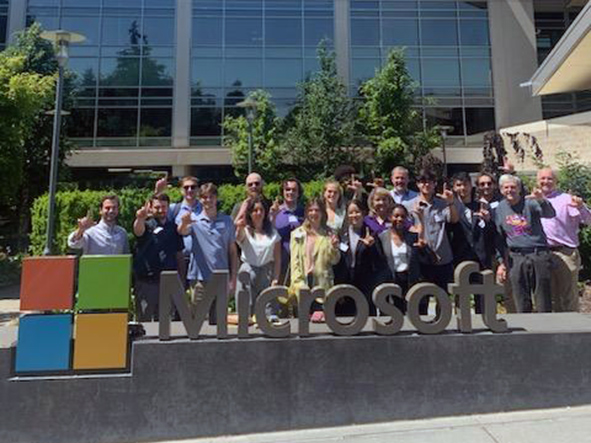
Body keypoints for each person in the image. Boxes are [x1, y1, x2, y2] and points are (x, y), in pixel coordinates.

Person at [495, 174, 556, 313]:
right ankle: (526, 330)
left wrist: (541, 200)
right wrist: (501, 262)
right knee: (520, 297)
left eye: (513, 187)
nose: (510, 190)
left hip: (537, 254)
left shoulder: (530, 203)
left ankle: (545, 330)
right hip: (516, 257)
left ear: (519, 189)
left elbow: (550, 213)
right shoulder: (500, 208)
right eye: (506, 187)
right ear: (501, 190)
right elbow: (499, 237)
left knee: (542, 299)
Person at [178, 183, 238, 321]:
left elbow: (233, 252)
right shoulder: (194, 220)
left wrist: (233, 279)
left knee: (219, 323)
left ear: (216, 198)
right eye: (204, 197)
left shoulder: (227, 221)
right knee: (195, 321)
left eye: (211, 197)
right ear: (200, 199)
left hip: (221, 279)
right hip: (200, 279)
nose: (208, 200)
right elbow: (182, 231)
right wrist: (184, 223)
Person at [537, 168, 591, 312]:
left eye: (549, 178)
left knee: (568, 296)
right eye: (542, 178)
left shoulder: (567, 199)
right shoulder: (532, 200)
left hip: (565, 253)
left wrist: (581, 207)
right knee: (546, 297)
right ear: (537, 181)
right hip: (541, 254)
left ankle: (572, 330)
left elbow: (588, 220)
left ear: (556, 181)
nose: (545, 182)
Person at [132, 194, 185, 321]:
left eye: (164, 207)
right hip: (147, 283)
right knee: (144, 320)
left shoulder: (173, 227)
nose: (161, 210)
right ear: (150, 208)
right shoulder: (146, 224)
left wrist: (182, 280)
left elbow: (179, 254)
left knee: (166, 322)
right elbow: (138, 231)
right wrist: (139, 218)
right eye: (157, 207)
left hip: (169, 282)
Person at [409, 170, 459, 305]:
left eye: (429, 182)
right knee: (421, 299)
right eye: (422, 182)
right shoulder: (410, 206)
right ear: (418, 184)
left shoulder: (442, 203)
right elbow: (408, 230)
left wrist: (450, 203)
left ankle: (442, 324)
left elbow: (454, 220)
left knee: (443, 298)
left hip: (443, 257)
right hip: (422, 259)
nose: (426, 185)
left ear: (434, 184)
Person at [448, 172, 495, 313]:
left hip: (481, 259)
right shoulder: (451, 207)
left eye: (465, 184)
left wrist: (488, 221)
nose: (463, 188)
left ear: (471, 185)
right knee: (461, 300)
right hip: (460, 258)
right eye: (459, 185)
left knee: (483, 299)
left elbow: (493, 233)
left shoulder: (482, 206)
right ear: (454, 188)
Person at [289, 197, 340, 323]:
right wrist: (297, 284)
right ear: (306, 213)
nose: (314, 213)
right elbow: (294, 261)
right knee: (302, 325)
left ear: (322, 213)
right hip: (302, 285)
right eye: (310, 210)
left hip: (322, 286)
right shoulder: (297, 233)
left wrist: (334, 247)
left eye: (317, 210)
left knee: (320, 326)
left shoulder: (329, 233)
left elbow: (334, 261)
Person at [235, 196, 281, 321]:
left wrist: (275, 279)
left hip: (267, 272)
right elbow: (238, 237)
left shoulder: (273, 232)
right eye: (255, 210)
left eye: (261, 210)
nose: (258, 213)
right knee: (245, 313)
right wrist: (241, 222)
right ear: (250, 213)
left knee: (269, 313)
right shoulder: (245, 230)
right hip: (248, 271)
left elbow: (277, 259)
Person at [334, 199, 382, 315]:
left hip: (365, 284)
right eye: (350, 212)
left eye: (357, 212)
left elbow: (379, 262)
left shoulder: (371, 233)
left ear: (364, 213)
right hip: (346, 282)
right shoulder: (342, 234)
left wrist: (371, 247)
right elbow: (338, 262)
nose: (354, 215)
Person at [378, 204, 425, 313]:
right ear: (390, 217)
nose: (399, 219)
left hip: (409, 280)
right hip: (391, 280)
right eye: (396, 216)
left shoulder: (412, 237)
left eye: (403, 217)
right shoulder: (382, 237)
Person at [274, 178, 305, 284]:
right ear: (283, 192)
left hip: (301, 263)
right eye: (287, 189)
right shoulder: (276, 212)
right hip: (280, 263)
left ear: (298, 193)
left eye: (294, 190)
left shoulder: (304, 212)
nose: (290, 192)